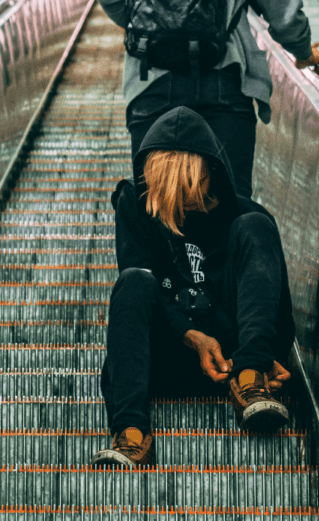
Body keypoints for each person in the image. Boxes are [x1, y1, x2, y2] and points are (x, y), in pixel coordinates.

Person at [91, 106, 295, 467]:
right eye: (164, 191)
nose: (178, 204)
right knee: (133, 280)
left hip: (231, 364)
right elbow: (139, 291)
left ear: (209, 177)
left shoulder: (246, 219)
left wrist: (268, 354)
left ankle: (252, 383)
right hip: (163, 359)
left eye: (186, 189)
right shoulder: (136, 207)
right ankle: (131, 434)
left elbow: (276, 306)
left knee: (255, 225)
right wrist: (193, 336)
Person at [94, 0, 319, 199]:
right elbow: (281, 7)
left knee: (155, 205)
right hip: (226, 81)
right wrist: (303, 51)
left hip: (153, 82)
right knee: (231, 203)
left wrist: (153, 28)